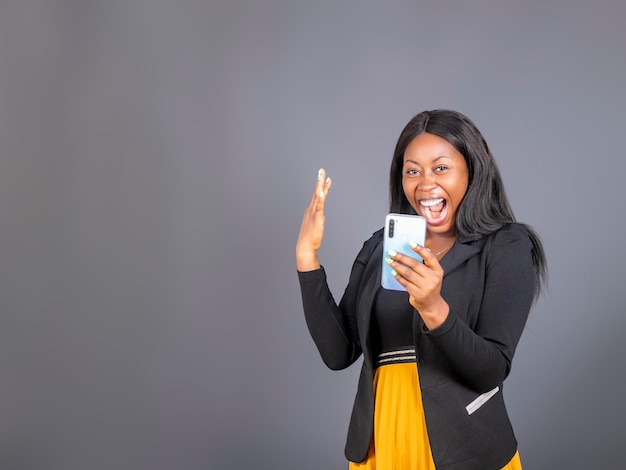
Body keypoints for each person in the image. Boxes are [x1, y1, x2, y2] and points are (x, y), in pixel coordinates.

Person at [295, 109, 547, 469]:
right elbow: (338, 354)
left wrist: (433, 307)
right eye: (412, 170)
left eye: (440, 168)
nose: (425, 184)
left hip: (463, 447)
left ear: (472, 170)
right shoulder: (381, 248)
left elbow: (491, 369)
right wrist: (307, 257)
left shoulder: (506, 245)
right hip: (381, 441)